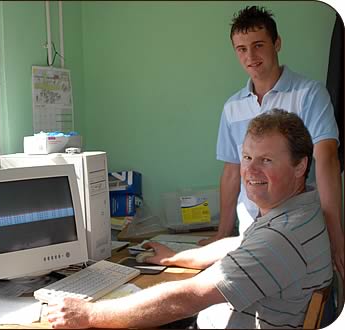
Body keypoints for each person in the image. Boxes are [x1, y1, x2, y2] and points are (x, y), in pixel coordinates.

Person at [47, 109, 332, 329]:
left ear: (300, 166)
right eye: (247, 157)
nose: (250, 171)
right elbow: (241, 243)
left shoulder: (281, 237)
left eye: (266, 160)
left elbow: (189, 296)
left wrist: (89, 313)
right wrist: (176, 258)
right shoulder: (300, 210)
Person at [198, 6, 343, 281]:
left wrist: (336, 235)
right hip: (249, 236)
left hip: (295, 231)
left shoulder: (309, 94)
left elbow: (327, 160)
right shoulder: (232, 107)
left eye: (258, 45)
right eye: (241, 49)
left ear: (277, 43)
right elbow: (232, 172)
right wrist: (221, 233)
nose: (250, 56)